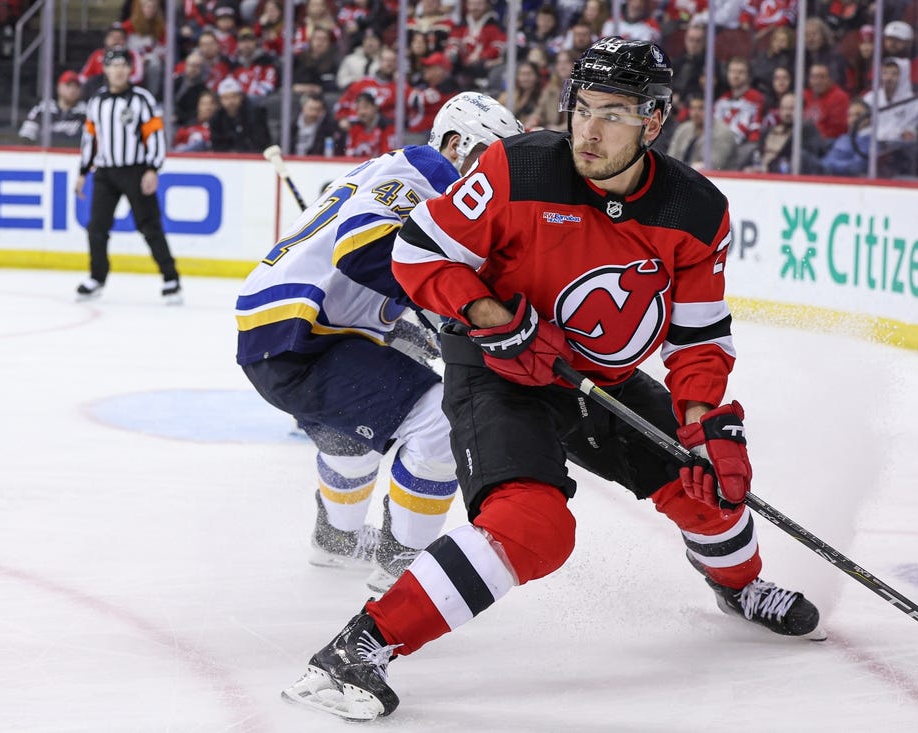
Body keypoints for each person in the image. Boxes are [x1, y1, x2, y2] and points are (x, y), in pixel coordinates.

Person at [281, 37, 822, 723]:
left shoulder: (697, 212)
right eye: (582, 108)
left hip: (600, 374)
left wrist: (705, 421)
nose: (588, 131)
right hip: (500, 366)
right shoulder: (519, 167)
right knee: (532, 528)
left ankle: (740, 586)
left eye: (613, 114)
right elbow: (417, 250)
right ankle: (358, 647)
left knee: (704, 484)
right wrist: (488, 313)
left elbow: (698, 338)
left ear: (653, 122)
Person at [235, 92, 524, 597]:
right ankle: (401, 564)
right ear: (455, 144)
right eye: (488, 159)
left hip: (289, 334)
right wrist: (453, 306)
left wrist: (414, 324)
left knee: (354, 433)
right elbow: (362, 249)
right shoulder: (429, 169)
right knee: (444, 417)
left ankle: (335, 539)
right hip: (304, 337)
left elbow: (377, 267)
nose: (494, 180)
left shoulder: (392, 173)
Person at [76, 47, 181, 303]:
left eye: (123, 65)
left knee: (150, 227)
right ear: (106, 70)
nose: (118, 70)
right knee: (96, 228)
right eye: (113, 65)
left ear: (130, 70)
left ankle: (171, 279)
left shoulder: (142, 99)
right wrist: (82, 171)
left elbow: (155, 136)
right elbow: (90, 138)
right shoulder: (96, 101)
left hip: (135, 171)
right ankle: (97, 277)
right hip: (105, 172)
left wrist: (152, 169)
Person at [19, 70, 87, 147]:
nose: (72, 90)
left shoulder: (85, 111)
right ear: (59, 87)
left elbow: (91, 138)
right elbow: (26, 135)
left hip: (75, 155)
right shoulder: (43, 108)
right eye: (68, 85)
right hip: (46, 155)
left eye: (76, 86)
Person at [209, 76, 272, 152]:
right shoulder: (216, 119)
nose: (230, 101)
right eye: (226, 98)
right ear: (220, 100)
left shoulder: (254, 114)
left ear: (241, 97)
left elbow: (261, 141)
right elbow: (217, 145)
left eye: (234, 96)